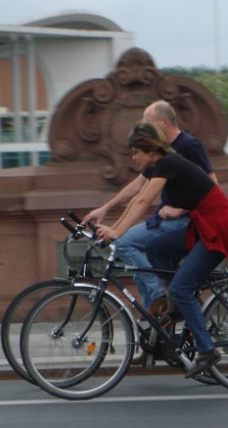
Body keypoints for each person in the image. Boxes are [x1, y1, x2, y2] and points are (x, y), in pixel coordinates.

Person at [96, 122, 228, 378]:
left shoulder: (168, 163)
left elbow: (145, 201)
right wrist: (114, 228)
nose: (133, 158)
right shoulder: (160, 165)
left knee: (181, 287)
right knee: (156, 248)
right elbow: (137, 199)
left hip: (219, 228)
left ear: (149, 149)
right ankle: (177, 305)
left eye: (136, 152)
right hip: (204, 226)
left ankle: (207, 349)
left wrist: (116, 232)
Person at [83, 100, 216, 310]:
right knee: (139, 266)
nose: (143, 129)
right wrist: (106, 209)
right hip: (161, 220)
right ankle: (155, 324)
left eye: (148, 123)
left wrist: (180, 209)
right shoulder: (159, 151)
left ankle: (158, 299)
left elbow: (212, 185)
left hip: (183, 223)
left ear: (163, 123)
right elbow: (138, 187)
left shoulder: (188, 145)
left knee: (124, 244)